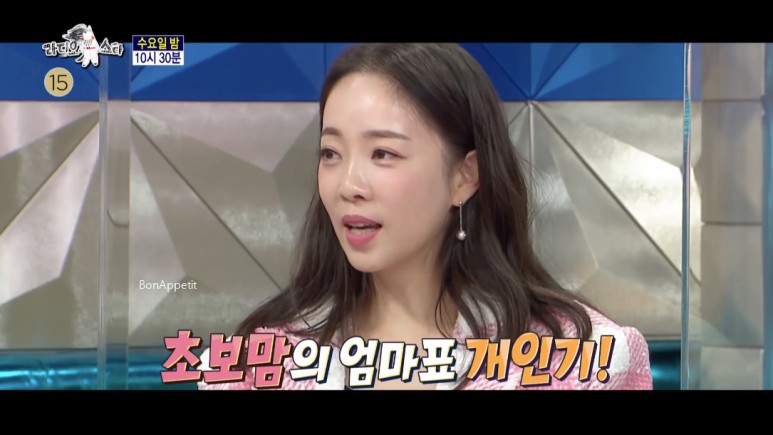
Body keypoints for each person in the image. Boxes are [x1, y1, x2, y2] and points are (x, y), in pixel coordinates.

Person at [197, 43, 653, 390]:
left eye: (383, 153)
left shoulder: (580, 359)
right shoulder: (259, 362)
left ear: (464, 176)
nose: (348, 184)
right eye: (331, 153)